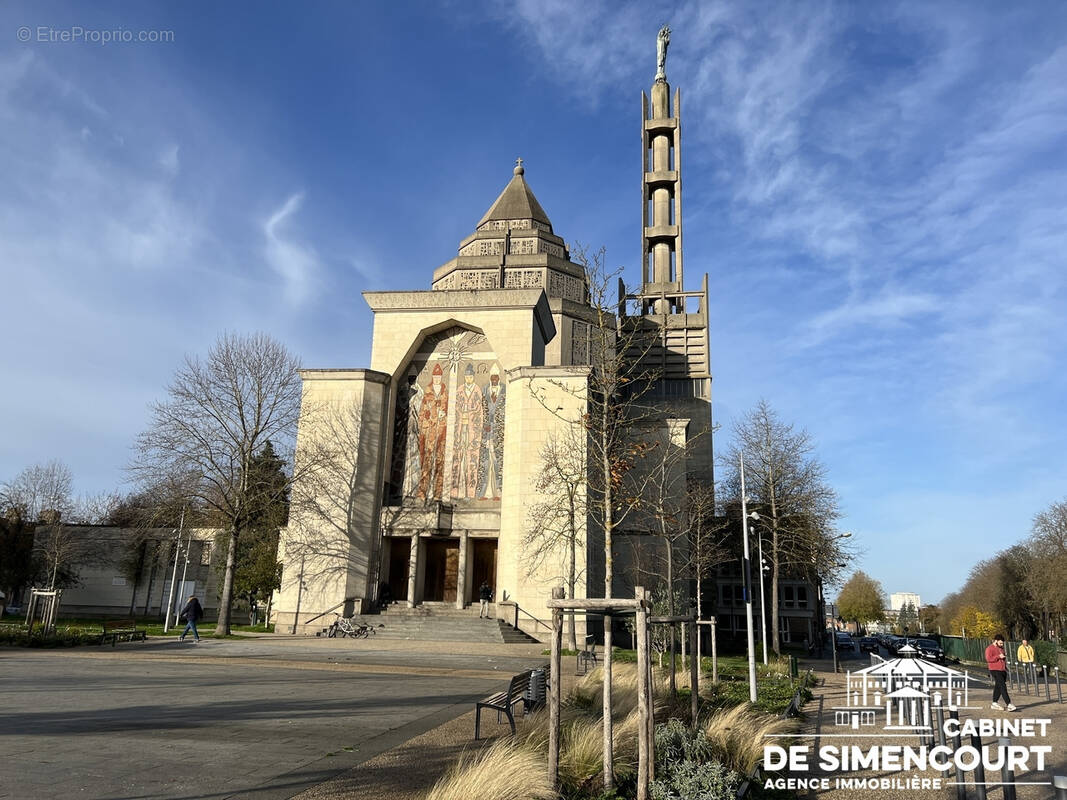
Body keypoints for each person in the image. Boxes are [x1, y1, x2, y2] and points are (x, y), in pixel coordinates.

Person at [985, 633, 1016, 711]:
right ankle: (1008, 703)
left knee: (998, 686)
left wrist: (1005, 667)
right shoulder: (990, 648)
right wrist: (998, 656)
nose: (1002, 644)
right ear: (996, 641)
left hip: (1002, 670)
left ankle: (994, 703)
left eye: (1002, 643)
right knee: (1002, 686)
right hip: (995, 670)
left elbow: (1003, 659)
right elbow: (988, 659)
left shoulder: (1001, 648)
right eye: (1000, 643)